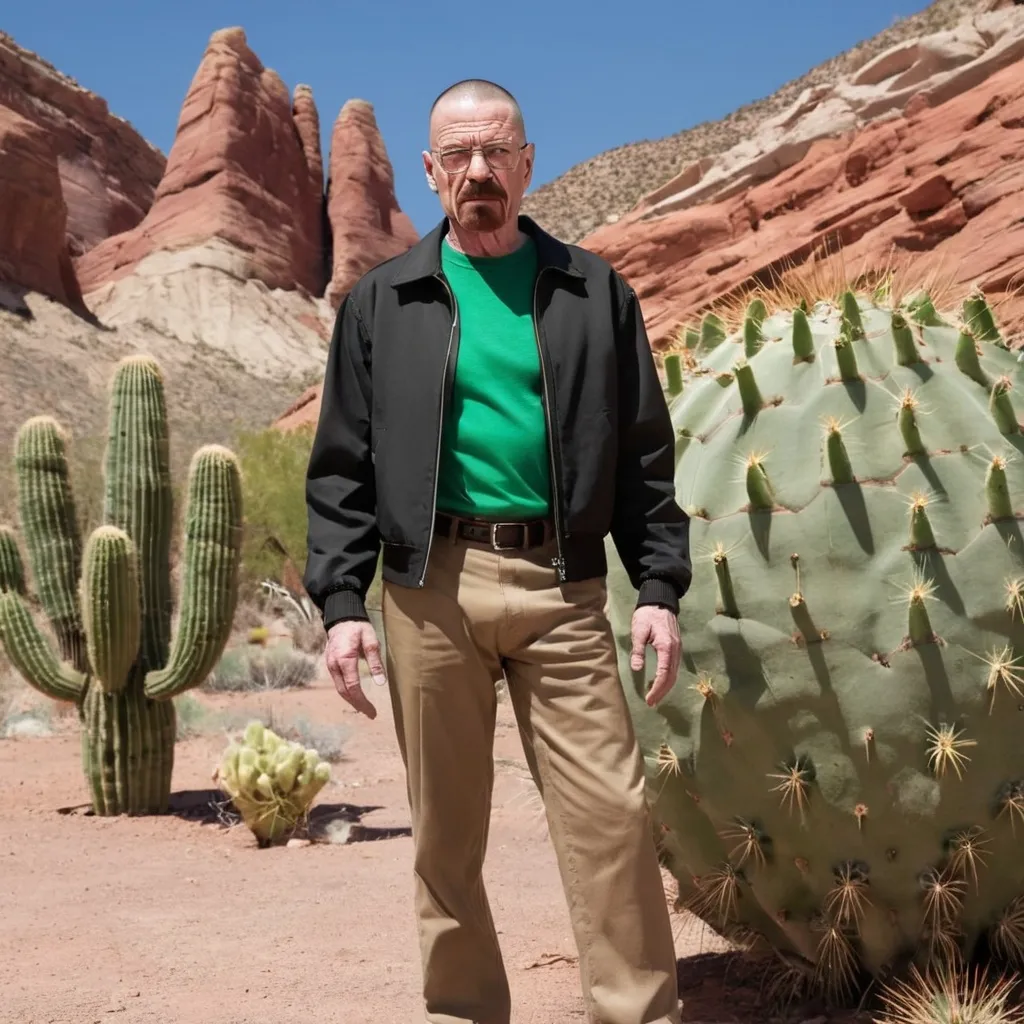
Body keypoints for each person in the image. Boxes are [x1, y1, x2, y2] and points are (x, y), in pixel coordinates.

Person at [303, 77, 692, 1024]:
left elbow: (644, 449)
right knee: (446, 836)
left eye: (497, 151)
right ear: (431, 172)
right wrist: (344, 605)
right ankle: (465, 1012)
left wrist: (658, 587)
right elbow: (342, 464)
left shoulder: (593, 290)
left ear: (526, 163)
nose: (479, 170)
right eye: (459, 155)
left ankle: (636, 1013)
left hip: (562, 583)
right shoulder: (382, 301)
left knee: (613, 819)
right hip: (427, 587)